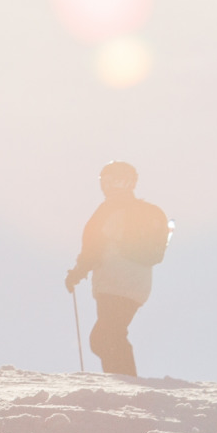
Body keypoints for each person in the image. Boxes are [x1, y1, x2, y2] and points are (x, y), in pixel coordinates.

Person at [64, 161, 167, 376]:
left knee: (105, 336)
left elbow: (93, 246)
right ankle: (122, 381)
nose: (108, 186)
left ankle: (126, 383)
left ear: (126, 182)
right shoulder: (145, 211)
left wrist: (78, 271)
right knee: (108, 336)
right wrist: (80, 271)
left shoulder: (114, 210)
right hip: (128, 284)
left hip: (117, 281)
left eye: (111, 180)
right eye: (105, 181)